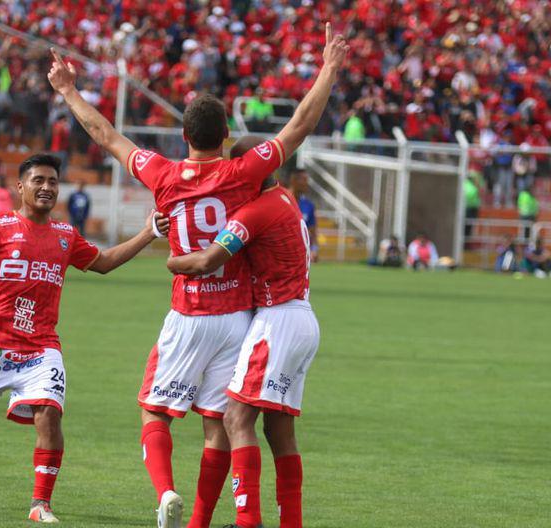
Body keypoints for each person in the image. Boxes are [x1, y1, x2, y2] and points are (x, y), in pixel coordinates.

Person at [46, 22, 347, 528]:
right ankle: (201, 520)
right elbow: (298, 126)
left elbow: (106, 135)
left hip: (189, 310)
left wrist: (68, 90)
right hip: (238, 318)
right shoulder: (244, 174)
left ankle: (166, 493)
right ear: (226, 137)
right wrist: (329, 68)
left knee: (154, 413)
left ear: (184, 136)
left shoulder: (161, 172)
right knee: (220, 427)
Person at [0, 153, 170, 524]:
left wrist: (148, 232)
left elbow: (103, 262)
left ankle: (40, 505)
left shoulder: (66, 236)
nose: (47, 187)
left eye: (53, 181)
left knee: (50, 416)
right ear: (21, 187)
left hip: (41, 347)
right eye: (38, 180)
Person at [165, 135, 319, 528]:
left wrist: (174, 261)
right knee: (279, 429)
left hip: (277, 320)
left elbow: (207, 261)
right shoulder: (285, 198)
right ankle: (292, 523)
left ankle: (248, 521)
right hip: (302, 318)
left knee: (235, 418)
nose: (233, 177)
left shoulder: (255, 211)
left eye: (238, 168)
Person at [288, 169, 318, 262]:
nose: (307, 183)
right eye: (304, 180)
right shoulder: (280, 199)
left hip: (301, 256)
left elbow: (312, 231)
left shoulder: (309, 205)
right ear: (293, 180)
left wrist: (314, 249)